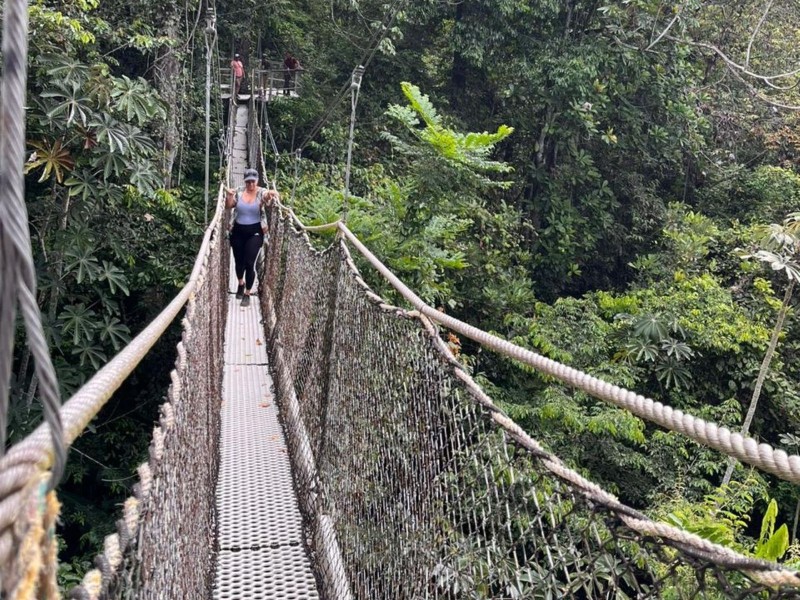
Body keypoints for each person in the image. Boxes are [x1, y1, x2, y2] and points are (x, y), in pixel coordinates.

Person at [225, 168, 279, 306]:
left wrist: (271, 193)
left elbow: (266, 196)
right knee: (239, 262)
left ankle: (247, 293)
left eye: (253, 181)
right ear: (245, 181)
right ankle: (241, 283)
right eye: (248, 181)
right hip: (237, 231)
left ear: (257, 181)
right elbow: (229, 206)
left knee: (250, 263)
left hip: (255, 232)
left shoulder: (261, 192)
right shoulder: (239, 191)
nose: (250, 184)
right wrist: (230, 196)